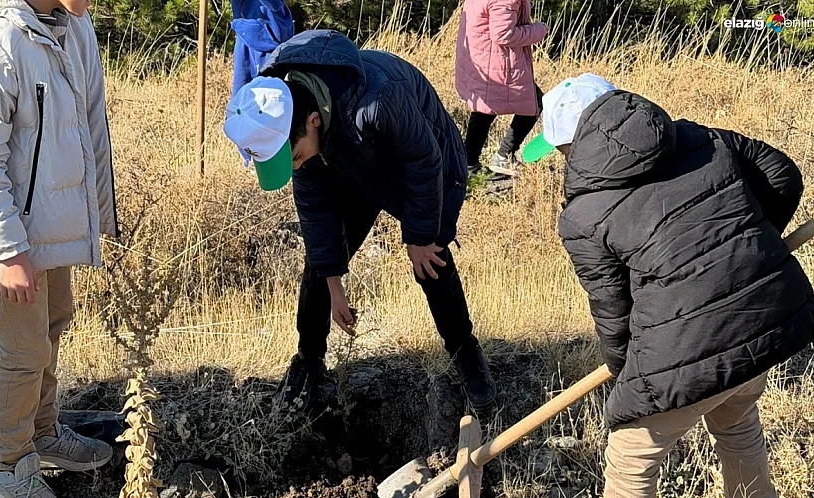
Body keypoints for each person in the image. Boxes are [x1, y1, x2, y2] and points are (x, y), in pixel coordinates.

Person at [526, 73, 814, 497]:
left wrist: (630, 378)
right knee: (736, 424)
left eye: (561, 149)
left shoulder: (582, 216)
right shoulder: (700, 138)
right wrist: (748, 248)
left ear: (574, 144)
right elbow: (782, 176)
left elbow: (613, 312)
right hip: (767, 316)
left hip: (689, 341)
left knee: (630, 461)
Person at [223, 29, 497, 413]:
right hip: (347, 162)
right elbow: (317, 217)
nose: (296, 165)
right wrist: (334, 283)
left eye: (296, 156)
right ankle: (309, 360)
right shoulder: (292, 126)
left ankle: (466, 353)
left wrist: (417, 237)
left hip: (422, 163)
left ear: (313, 120)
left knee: (430, 258)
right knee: (320, 264)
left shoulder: (378, 98)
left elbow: (424, 162)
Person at [0, 0, 118, 496]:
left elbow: (87, 126)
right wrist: (9, 251)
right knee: (21, 353)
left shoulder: (73, 26)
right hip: (10, 240)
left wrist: (94, 217)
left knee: (53, 324)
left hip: (52, 228)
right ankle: (7, 470)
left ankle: (40, 432)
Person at [455, 0, 547, 178]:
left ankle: (468, 164)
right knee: (534, 104)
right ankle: (503, 155)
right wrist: (538, 30)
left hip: (481, 57)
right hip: (498, 62)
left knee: (484, 110)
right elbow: (504, 34)